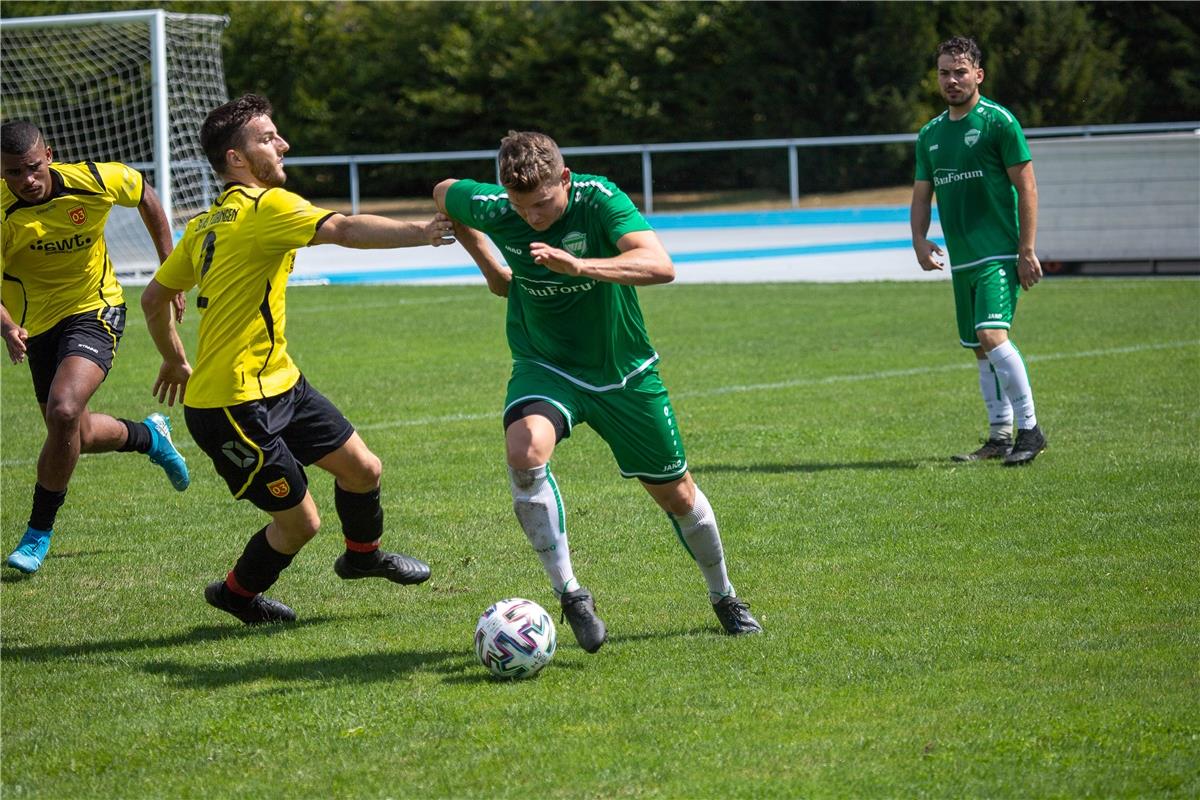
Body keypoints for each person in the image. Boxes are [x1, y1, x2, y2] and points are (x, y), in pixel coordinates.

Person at [433, 130, 762, 653]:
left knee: (679, 498)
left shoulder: (600, 199)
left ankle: (724, 596)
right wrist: (492, 266)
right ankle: (570, 594)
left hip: (623, 374)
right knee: (524, 452)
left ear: (564, 179)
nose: (533, 217)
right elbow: (445, 191)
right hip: (546, 366)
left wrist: (581, 265)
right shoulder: (499, 206)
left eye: (542, 204)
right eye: (522, 207)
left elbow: (661, 266)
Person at [141, 94, 455, 625]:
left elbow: (153, 299)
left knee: (363, 469)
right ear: (237, 159)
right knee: (300, 523)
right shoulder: (267, 207)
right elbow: (346, 229)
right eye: (268, 138)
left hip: (282, 384)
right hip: (230, 406)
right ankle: (236, 594)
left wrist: (174, 358)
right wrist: (422, 233)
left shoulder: (203, 225)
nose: (282, 144)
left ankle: (363, 558)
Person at [1, 120, 190, 575]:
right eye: (12, 173)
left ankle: (37, 533)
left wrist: (171, 268)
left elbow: (145, 194)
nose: (26, 180)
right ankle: (150, 436)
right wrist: (7, 325)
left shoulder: (95, 179)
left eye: (32, 168)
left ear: (49, 154)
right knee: (73, 432)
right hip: (34, 324)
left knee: (64, 411)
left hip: (95, 307)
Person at [911, 36, 1048, 466]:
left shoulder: (998, 122)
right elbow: (921, 195)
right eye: (944, 72)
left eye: (960, 71)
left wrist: (1026, 250)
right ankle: (999, 436)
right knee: (978, 347)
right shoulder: (930, 134)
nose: (951, 80)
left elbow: (1026, 187)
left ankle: (1031, 430)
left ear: (978, 75)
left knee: (993, 336)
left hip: (998, 254)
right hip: (963, 258)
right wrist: (918, 238)